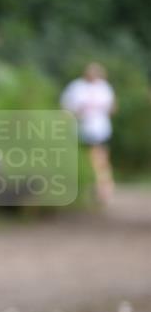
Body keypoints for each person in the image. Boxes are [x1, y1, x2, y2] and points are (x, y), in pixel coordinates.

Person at [60, 62, 116, 205]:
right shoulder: (76, 87)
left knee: (98, 158)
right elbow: (65, 108)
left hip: (99, 130)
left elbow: (113, 107)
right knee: (90, 159)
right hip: (80, 130)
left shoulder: (104, 87)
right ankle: (97, 187)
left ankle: (102, 188)